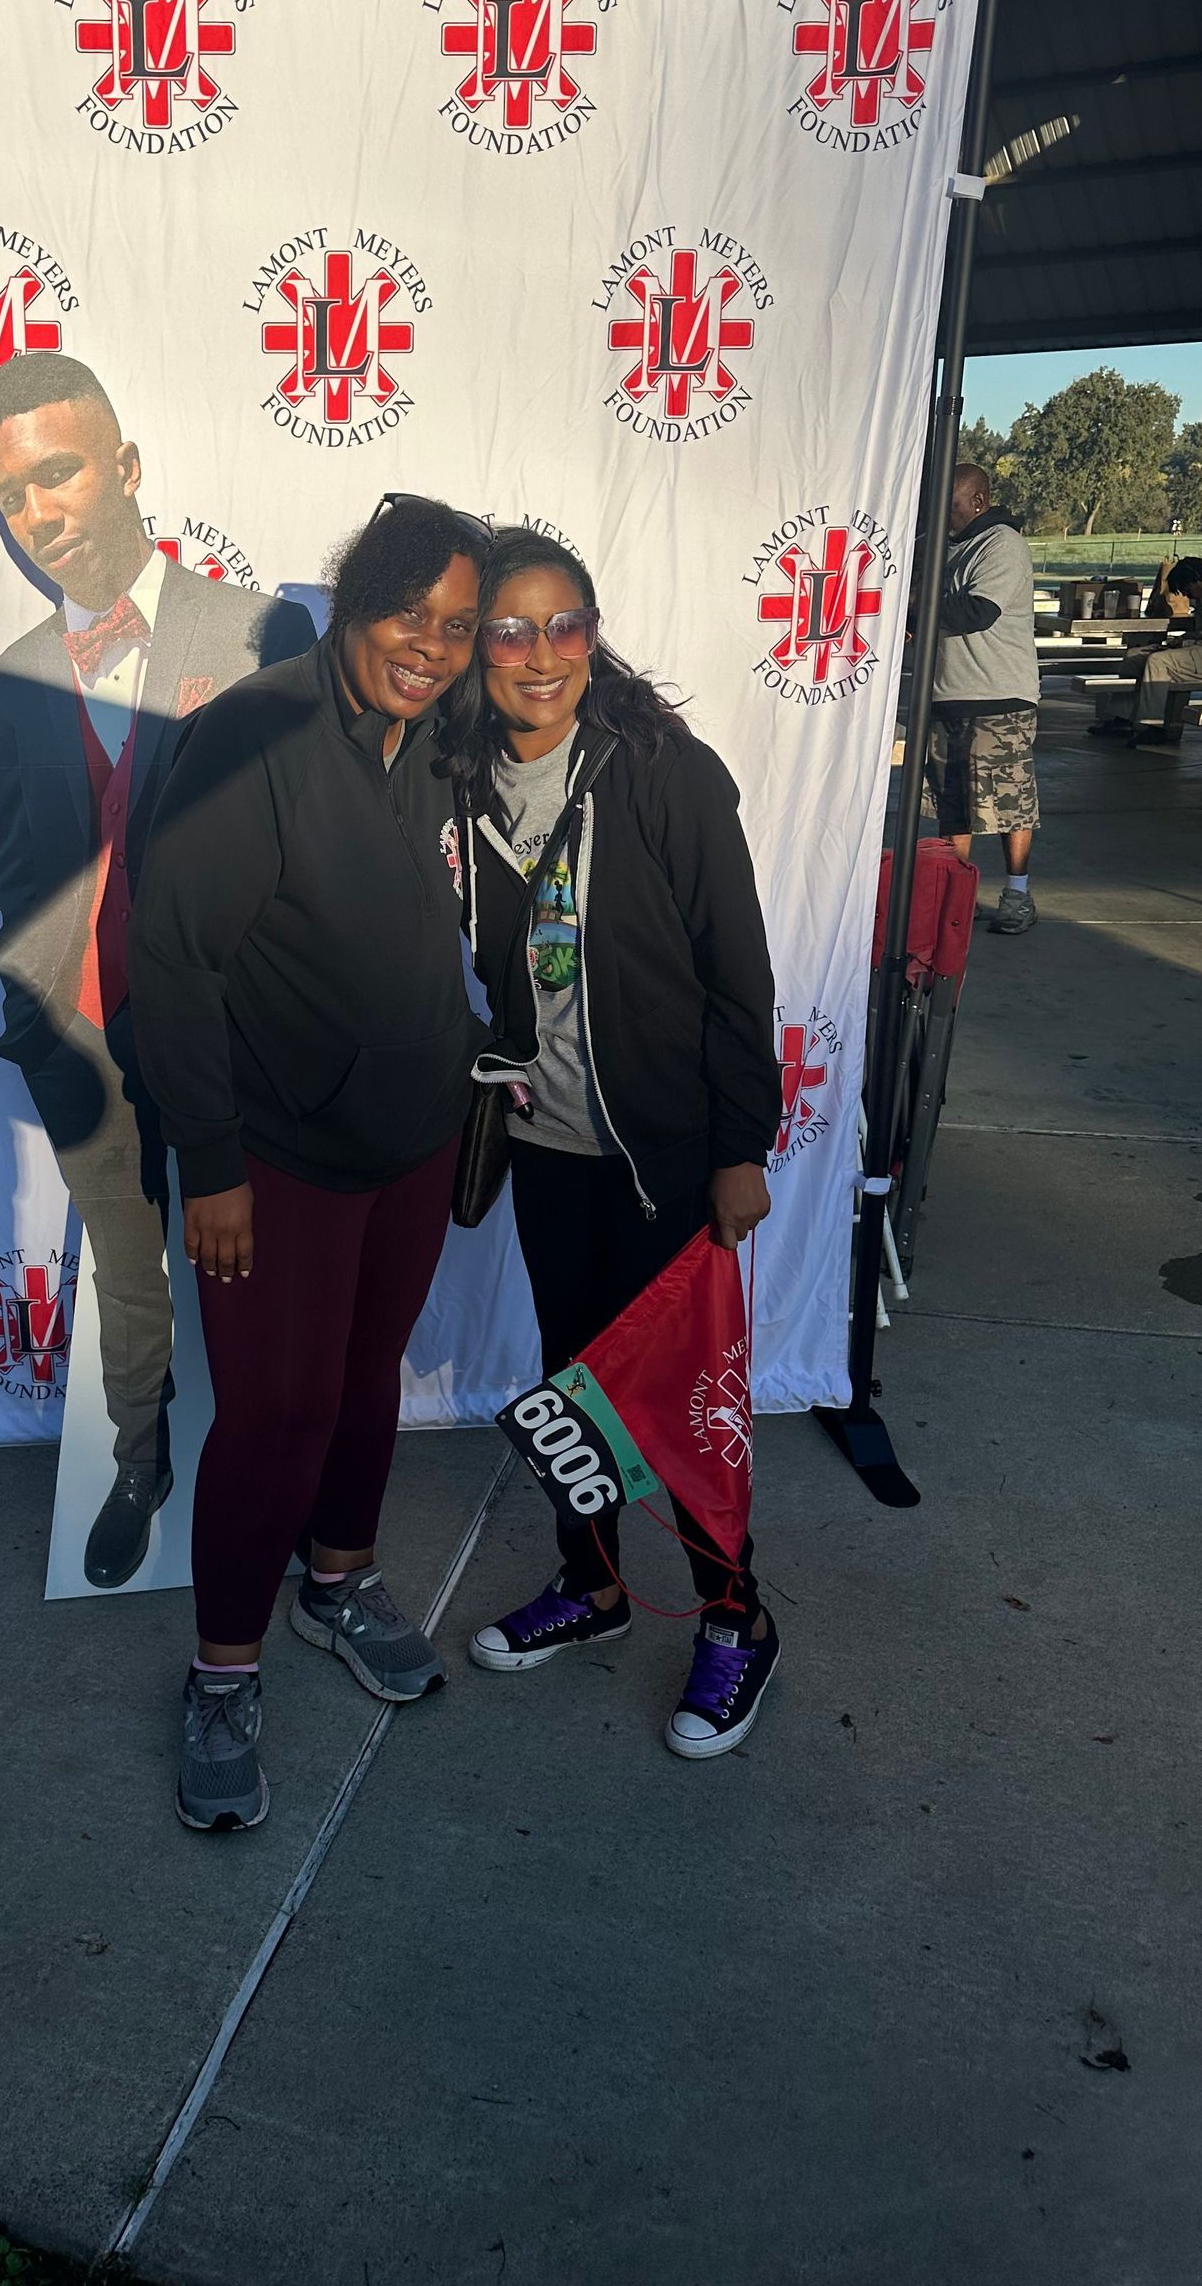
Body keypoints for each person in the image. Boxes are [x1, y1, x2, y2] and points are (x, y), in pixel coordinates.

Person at [128, 494, 485, 1830]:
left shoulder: (433, 736)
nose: (431, 644)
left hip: (408, 1141)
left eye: (456, 625)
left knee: (360, 1386)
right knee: (274, 1414)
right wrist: (209, 1164)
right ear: (352, 599)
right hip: (273, 1157)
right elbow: (174, 963)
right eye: (409, 612)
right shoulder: (256, 731)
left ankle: (338, 1582)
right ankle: (223, 1676)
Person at [443, 528, 784, 1759]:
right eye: (512, 630)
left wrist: (742, 1143)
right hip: (548, 1152)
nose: (542, 656)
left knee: (685, 1406)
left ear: (596, 632)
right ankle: (589, 1588)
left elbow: (737, 973)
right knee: (573, 1387)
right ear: (477, 645)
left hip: (666, 1155)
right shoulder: (461, 779)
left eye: (565, 626)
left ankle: (736, 1618)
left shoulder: (661, 773)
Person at [0, 354, 313, 1589]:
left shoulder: (260, 631)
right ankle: (139, 1461)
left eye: (60, 472)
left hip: (234, 1039)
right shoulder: (10, 681)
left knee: (263, 1267)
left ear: (125, 468)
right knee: (128, 1273)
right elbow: (22, 873)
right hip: (89, 1045)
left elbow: (304, 843)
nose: (39, 512)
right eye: (10, 493)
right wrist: (39, 1021)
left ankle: (282, 1469)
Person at [926, 464, 1042, 934]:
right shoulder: (940, 547)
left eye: (951, 506)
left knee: (1010, 805)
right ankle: (958, 895)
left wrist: (914, 605)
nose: (944, 516)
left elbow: (977, 611)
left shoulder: (1002, 545)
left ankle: (1017, 894)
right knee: (952, 804)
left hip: (999, 697)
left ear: (977, 501)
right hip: (946, 694)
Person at [1121, 556, 1202, 743]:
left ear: (1196, 580)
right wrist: (1180, 642)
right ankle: (1122, 717)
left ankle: (1151, 726)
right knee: (1134, 656)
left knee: (1158, 662)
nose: (1186, 595)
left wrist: (1183, 643)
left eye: (1185, 589)